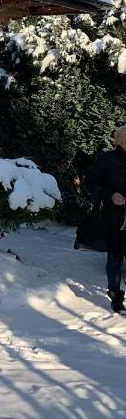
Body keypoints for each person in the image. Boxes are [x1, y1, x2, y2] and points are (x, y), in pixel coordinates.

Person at [85, 125, 126, 312]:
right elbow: (89, 184)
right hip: (114, 215)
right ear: (122, 142)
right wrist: (110, 195)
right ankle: (115, 295)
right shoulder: (107, 160)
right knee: (116, 255)